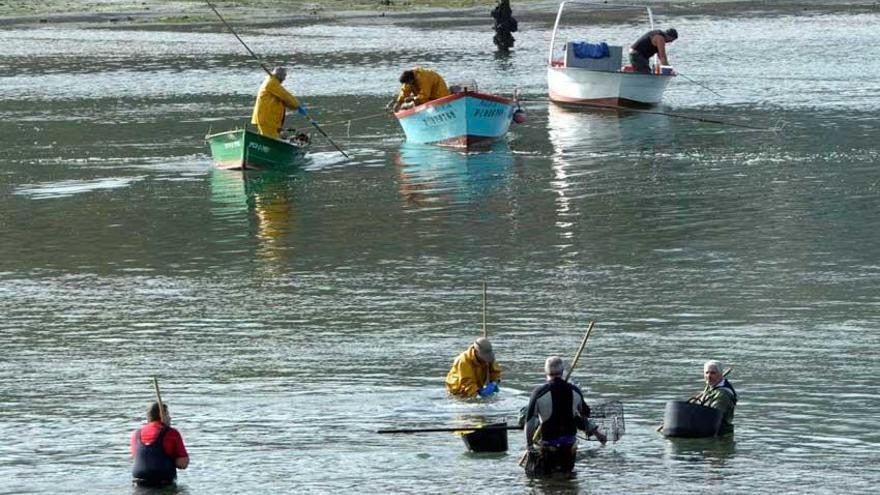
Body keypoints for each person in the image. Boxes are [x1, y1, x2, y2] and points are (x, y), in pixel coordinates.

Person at [523, 356, 606, 476]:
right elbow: (584, 415)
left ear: (545, 372)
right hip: (569, 447)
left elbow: (529, 422)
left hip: (548, 448)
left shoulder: (539, 393)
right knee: (567, 479)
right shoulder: (575, 391)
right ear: (562, 372)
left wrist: (529, 446)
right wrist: (597, 433)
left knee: (546, 484)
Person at [130, 402, 189, 487]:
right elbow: (183, 463)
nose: (170, 418)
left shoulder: (136, 434)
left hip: (138, 483)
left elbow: (135, 457)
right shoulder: (171, 433)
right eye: (168, 414)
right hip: (162, 483)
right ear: (163, 416)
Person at [251, 66, 307, 139]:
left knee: (272, 138)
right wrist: (297, 105)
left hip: (271, 120)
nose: (284, 79)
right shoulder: (272, 83)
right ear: (280, 76)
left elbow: (284, 100)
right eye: (284, 76)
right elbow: (285, 95)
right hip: (267, 119)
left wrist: (295, 107)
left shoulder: (273, 83)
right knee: (270, 140)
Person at [689, 360, 738, 435]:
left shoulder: (722, 395)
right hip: (707, 432)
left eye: (713, 373)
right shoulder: (712, 386)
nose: (709, 376)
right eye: (707, 373)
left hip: (720, 437)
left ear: (720, 375)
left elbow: (712, 416)